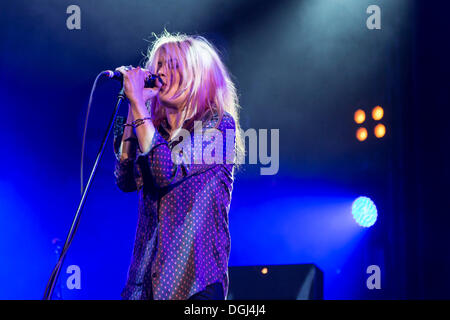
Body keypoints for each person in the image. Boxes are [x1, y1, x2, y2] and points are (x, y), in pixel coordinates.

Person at [113, 30, 243, 300]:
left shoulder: (218, 125)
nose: (160, 73)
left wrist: (138, 105)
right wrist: (132, 108)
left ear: (197, 77)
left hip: (194, 287)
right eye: (158, 65)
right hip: (142, 288)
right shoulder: (155, 132)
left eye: (172, 65)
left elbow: (165, 172)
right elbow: (126, 179)